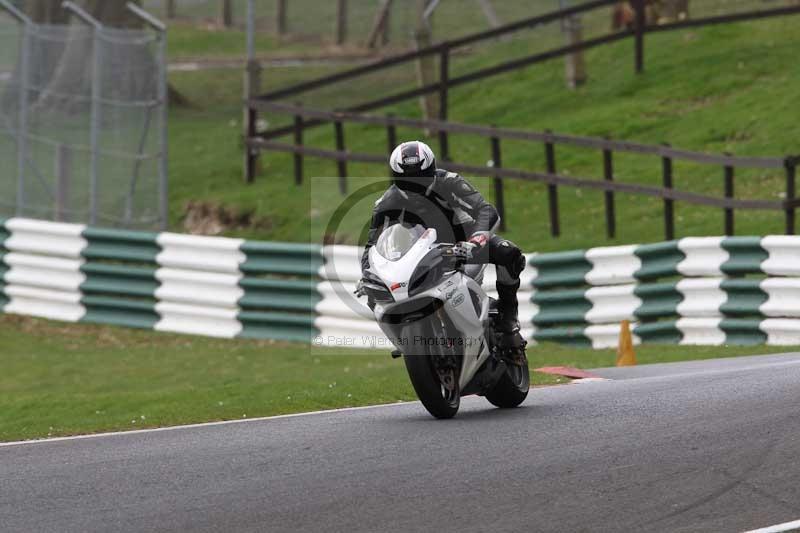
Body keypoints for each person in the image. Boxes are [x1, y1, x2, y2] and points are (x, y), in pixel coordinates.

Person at [361, 140, 527, 343]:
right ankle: (405, 342)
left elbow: (486, 210)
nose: (415, 185)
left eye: (420, 178)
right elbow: (372, 246)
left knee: (509, 253)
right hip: (419, 257)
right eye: (407, 180)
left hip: (464, 244)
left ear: (432, 170)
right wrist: (368, 274)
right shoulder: (387, 203)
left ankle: (508, 316)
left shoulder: (449, 182)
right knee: (374, 293)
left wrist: (476, 240)